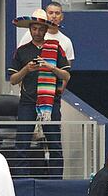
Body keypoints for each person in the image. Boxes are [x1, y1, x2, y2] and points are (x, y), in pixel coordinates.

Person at [9, 9, 71, 178]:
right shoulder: (21, 51)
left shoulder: (56, 48)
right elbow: (13, 79)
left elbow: (66, 75)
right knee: (22, 143)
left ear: (45, 30)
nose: (37, 32)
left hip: (51, 103)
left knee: (54, 144)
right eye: (34, 28)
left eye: (40, 29)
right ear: (30, 29)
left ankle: (56, 181)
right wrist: (26, 69)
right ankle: (23, 180)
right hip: (27, 102)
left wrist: (50, 67)